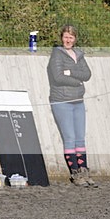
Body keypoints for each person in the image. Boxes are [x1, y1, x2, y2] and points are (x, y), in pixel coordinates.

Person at [47, 25, 97, 187]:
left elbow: (87, 74)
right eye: (66, 37)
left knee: (80, 138)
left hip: (78, 100)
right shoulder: (57, 55)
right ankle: (75, 173)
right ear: (62, 38)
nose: (68, 40)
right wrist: (77, 81)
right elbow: (58, 76)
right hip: (62, 101)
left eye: (71, 37)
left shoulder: (79, 55)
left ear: (75, 39)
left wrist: (71, 72)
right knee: (69, 139)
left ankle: (83, 169)